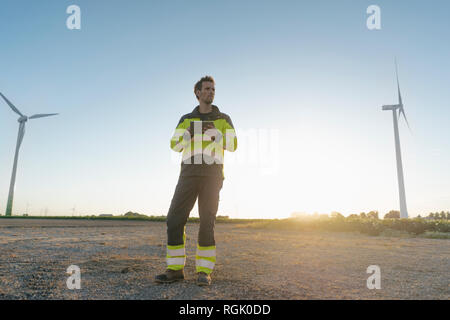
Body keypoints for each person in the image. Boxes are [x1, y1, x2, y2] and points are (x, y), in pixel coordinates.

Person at [155, 76, 237, 286]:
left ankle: (204, 272)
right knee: (174, 219)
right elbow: (174, 145)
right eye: (207, 89)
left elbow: (233, 144)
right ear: (198, 93)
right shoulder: (185, 119)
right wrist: (188, 134)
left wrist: (216, 135)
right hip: (188, 174)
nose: (211, 92)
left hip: (212, 176)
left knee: (206, 223)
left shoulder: (223, 118)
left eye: (213, 89)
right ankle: (175, 270)